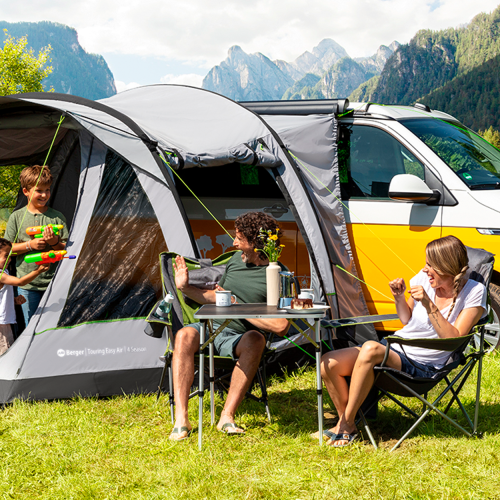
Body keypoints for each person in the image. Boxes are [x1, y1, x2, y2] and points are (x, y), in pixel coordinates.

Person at [320, 235, 486, 447]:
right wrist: (399, 297)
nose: (425, 269)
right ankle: (348, 422)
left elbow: (453, 339)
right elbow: (406, 319)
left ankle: (345, 425)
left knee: (370, 349)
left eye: (430, 265)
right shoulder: (423, 279)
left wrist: (428, 304)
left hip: (423, 365)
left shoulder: (474, 291)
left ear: (445, 266)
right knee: (329, 362)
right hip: (395, 349)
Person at [169, 211, 290, 440]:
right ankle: (182, 419)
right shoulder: (235, 260)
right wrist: (185, 287)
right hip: (210, 329)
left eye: (239, 238)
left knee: (256, 339)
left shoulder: (277, 273)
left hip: (239, 337)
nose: (233, 243)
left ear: (255, 242)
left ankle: (226, 416)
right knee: (183, 335)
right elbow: (218, 297)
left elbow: (281, 326)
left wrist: (238, 306)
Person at [4, 165, 68, 327]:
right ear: (26, 191)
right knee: (31, 326)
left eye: (47, 190)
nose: (44, 195)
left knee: (53, 326)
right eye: (39, 191)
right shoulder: (16, 217)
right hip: (27, 285)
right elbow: (6, 250)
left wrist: (54, 243)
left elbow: (66, 250)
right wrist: (29, 245)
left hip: (54, 284)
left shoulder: (57, 217)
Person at [0, 238, 50, 354]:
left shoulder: (4, 272)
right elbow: (20, 282)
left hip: (4, 322)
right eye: (6, 256)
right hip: (2, 324)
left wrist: (13, 300)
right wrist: (38, 271)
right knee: (5, 351)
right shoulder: (1, 275)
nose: (9, 259)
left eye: (10, 256)